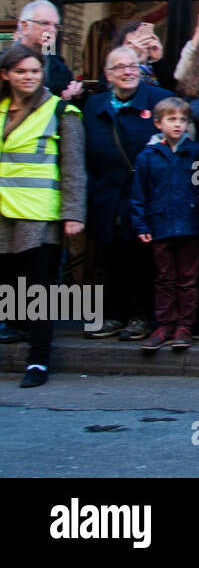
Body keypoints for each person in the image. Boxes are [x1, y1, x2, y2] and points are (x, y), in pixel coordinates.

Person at [0, 44, 85, 387]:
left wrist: (74, 213)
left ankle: (38, 361)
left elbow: (74, 167)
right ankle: (18, 332)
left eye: (35, 71)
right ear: (5, 75)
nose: (29, 77)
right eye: (21, 71)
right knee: (8, 285)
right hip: (3, 212)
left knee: (40, 292)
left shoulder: (61, 110)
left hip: (39, 216)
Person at [83, 45, 172, 341]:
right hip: (106, 196)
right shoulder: (93, 106)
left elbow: (192, 152)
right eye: (120, 67)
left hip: (149, 197)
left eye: (133, 65)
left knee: (143, 259)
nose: (128, 71)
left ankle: (141, 316)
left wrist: (197, 188)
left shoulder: (161, 101)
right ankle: (113, 315)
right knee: (110, 258)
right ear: (108, 75)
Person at [130, 97, 199, 350]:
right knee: (164, 278)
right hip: (161, 223)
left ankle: (185, 326)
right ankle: (164, 324)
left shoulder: (196, 153)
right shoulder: (148, 157)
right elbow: (139, 193)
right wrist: (141, 224)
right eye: (171, 119)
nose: (177, 125)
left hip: (189, 224)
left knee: (188, 278)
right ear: (158, 123)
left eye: (182, 120)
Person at [14, 0, 81, 100]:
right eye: (44, 23)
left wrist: (74, 96)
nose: (52, 30)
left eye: (56, 26)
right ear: (25, 26)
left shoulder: (60, 70)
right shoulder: (4, 63)